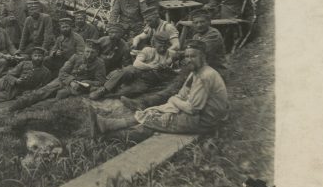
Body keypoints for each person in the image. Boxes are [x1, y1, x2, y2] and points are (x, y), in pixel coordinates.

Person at [87, 40, 229, 138]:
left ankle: (110, 135)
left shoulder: (205, 76)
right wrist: (170, 107)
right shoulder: (195, 71)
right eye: (187, 56)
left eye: (193, 56)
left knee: (155, 122)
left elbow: (193, 109)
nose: (189, 59)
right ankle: (109, 124)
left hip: (206, 120)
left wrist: (173, 101)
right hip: (198, 114)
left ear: (203, 57)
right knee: (155, 112)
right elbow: (182, 93)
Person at [120, 10, 227, 111]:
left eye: (202, 22)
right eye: (196, 22)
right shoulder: (197, 35)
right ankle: (144, 96)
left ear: (209, 21)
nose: (199, 25)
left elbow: (196, 54)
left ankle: (144, 103)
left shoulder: (213, 35)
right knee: (167, 78)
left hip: (213, 71)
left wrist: (175, 56)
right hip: (198, 67)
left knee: (177, 83)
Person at [9, 40, 106, 111]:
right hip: (63, 80)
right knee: (43, 91)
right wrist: (71, 81)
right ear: (84, 50)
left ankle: (30, 110)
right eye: (87, 51)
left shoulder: (99, 63)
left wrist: (86, 83)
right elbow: (62, 71)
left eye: (92, 52)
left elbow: (100, 81)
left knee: (58, 98)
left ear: (97, 53)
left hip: (78, 87)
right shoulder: (76, 57)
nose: (89, 55)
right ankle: (16, 106)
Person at [89, 31, 178, 100]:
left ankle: (109, 95)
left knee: (129, 91)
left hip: (148, 80)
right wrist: (151, 66)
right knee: (128, 70)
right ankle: (103, 89)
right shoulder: (148, 50)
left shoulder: (170, 54)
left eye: (165, 45)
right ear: (154, 43)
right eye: (160, 45)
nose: (163, 48)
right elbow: (137, 63)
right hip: (138, 71)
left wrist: (168, 63)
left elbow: (178, 55)